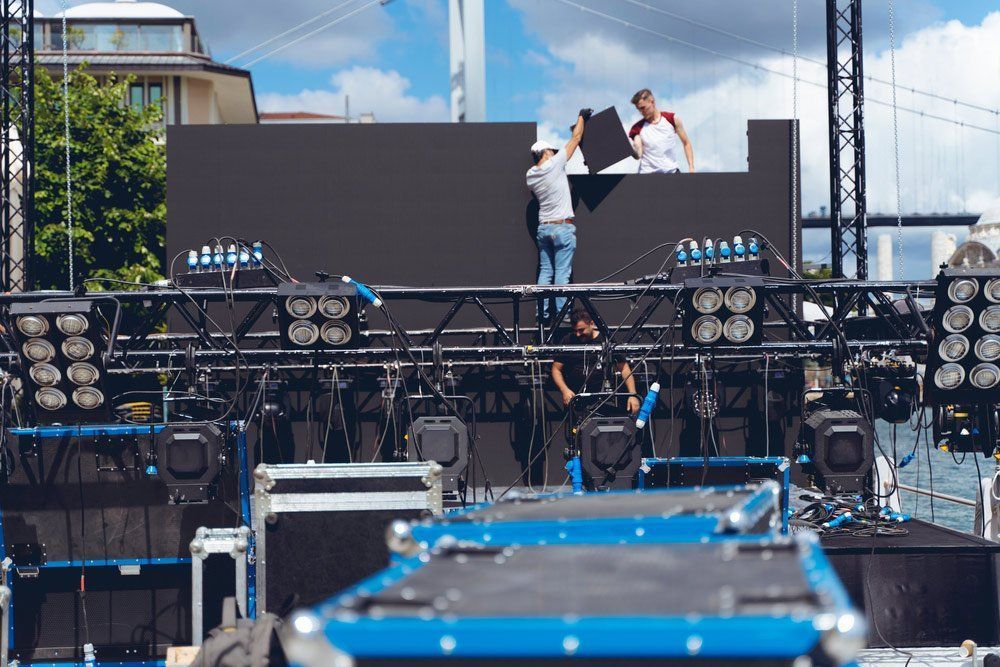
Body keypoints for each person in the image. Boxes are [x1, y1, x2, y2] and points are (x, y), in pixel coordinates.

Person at [526, 109, 590, 323]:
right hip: (562, 227)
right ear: (545, 153)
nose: (554, 152)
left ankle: (541, 315)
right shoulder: (554, 163)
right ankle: (563, 318)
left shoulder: (530, 176)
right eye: (550, 151)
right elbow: (576, 138)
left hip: (544, 227)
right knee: (562, 275)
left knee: (545, 273)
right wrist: (582, 116)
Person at [551, 308, 641, 415]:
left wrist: (632, 395)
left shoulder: (606, 339)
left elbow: (624, 369)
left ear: (592, 324)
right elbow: (556, 369)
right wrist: (564, 390)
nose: (578, 334)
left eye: (581, 330)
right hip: (576, 400)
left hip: (604, 401)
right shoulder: (568, 340)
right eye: (575, 331)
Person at [628, 88, 695, 174]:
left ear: (652, 102)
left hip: (671, 173)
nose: (641, 112)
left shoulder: (672, 119)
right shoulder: (637, 128)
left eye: (643, 108)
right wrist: (631, 150)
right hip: (647, 177)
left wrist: (691, 166)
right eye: (639, 110)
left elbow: (686, 143)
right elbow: (638, 153)